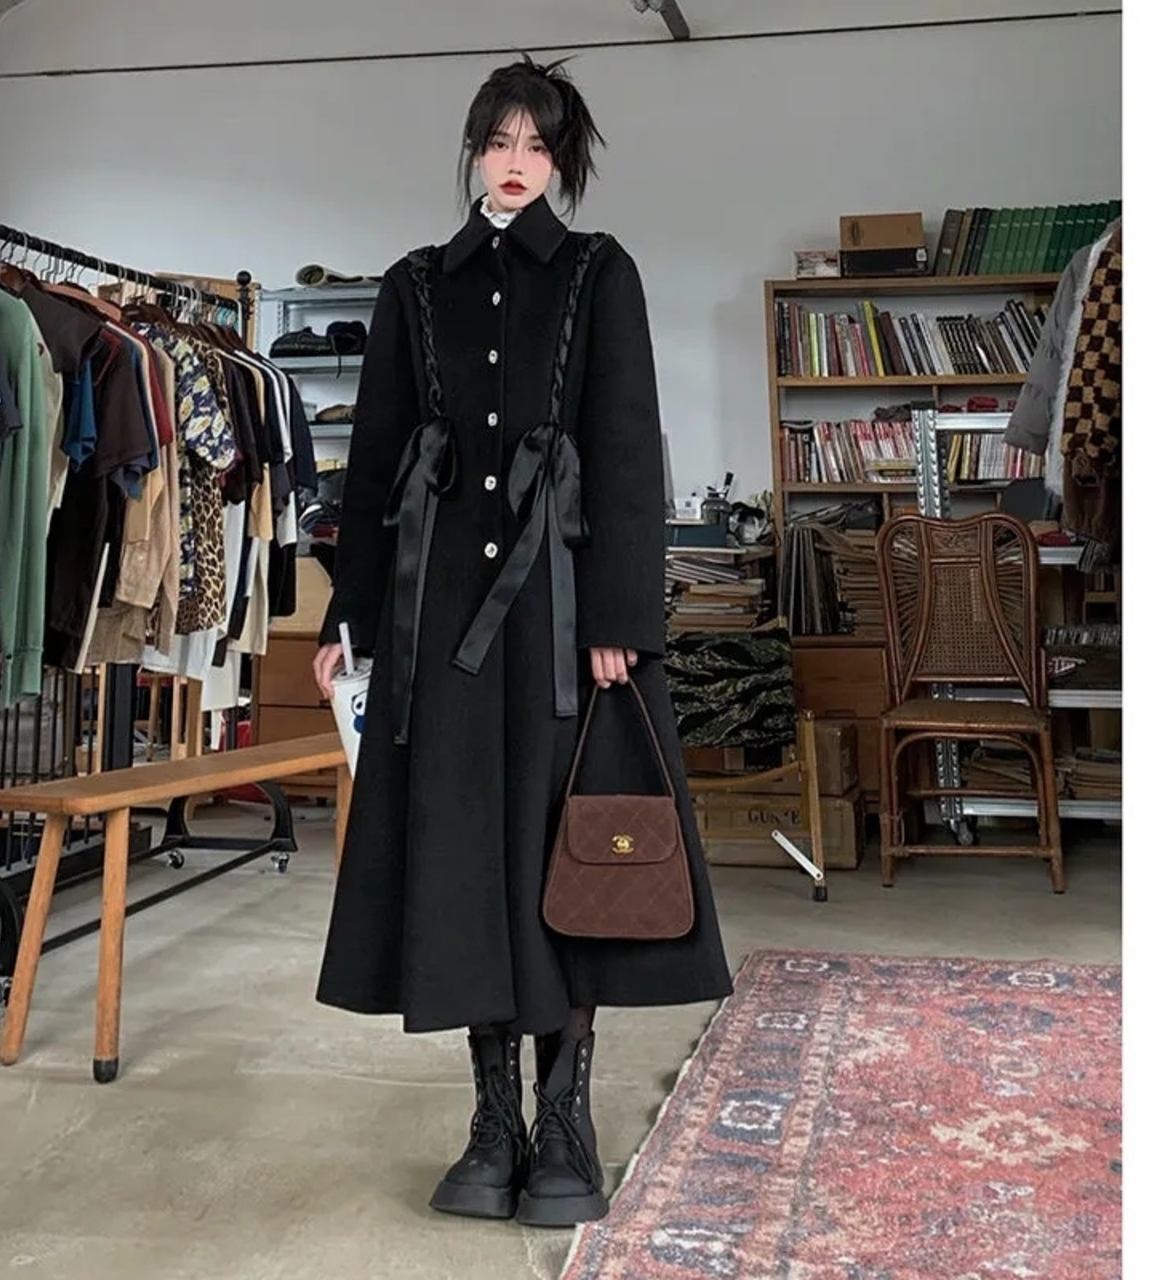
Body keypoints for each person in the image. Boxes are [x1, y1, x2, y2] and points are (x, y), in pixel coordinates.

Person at [312, 54, 732, 1229]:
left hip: (559, 616)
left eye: (536, 145)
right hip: (438, 617)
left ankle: (564, 1118)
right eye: (498, 140)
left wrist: (619, 623)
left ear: (561, 160)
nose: (514, 161)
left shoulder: (600, 272)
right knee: (462, 860)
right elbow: (375, 462)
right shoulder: (412, 285)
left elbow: (628, 450)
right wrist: (349, 617)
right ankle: (491, 1119)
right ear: (472, 149)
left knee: (566, 860)